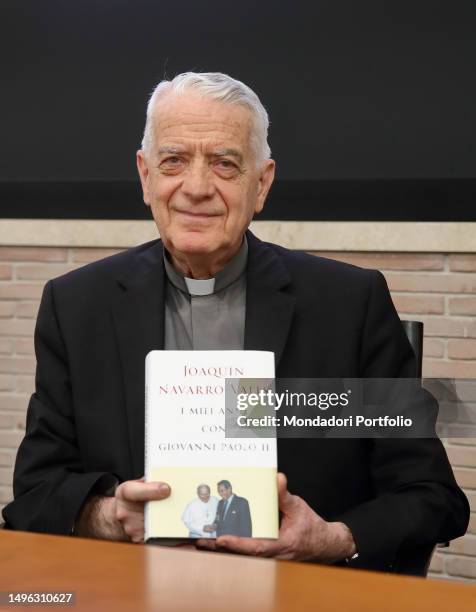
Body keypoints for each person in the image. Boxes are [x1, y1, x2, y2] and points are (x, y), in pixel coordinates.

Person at [2, 72, 469, 570]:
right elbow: (36, 493)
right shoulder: (76, 308)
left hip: (298, 593)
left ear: (261, 183)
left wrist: (331, 537)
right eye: (173, 161)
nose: (196, 188)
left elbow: (431, 496)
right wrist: (111, 516)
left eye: (224, 164)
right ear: (145, 176)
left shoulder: (348, 306)